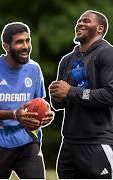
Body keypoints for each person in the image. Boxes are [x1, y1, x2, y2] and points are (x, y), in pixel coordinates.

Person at [0, 22, 54, 179]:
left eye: (28, 41)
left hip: (27, 139)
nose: (26, 46)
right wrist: (14, 114)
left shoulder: (34, 69)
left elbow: (40, 104)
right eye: (19, 42)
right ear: (6, 46)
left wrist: (46, 115)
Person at [49, 10, 113, 179]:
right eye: (79, 21)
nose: (80, 24)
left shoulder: (107, 54)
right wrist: (56, 96)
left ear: (100, 29)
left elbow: (110, 95)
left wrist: (70, 91)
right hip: (69, 143)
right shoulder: (66, 60)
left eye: (86, 21)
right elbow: (59, 104)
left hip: (97, 142)